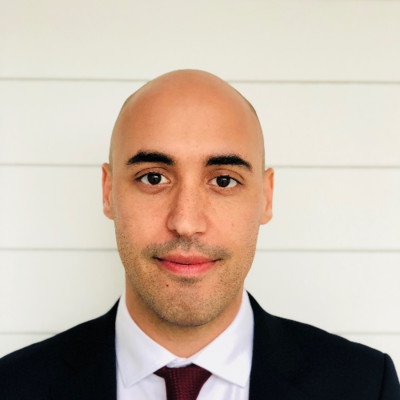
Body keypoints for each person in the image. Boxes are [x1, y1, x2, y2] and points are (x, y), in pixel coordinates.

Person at [0, 69, 399, 400]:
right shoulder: (12, 386)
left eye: (224, 180)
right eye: (153, 178)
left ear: (266, 197)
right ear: (108, 192)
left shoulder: (365, 385)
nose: (186, 222)